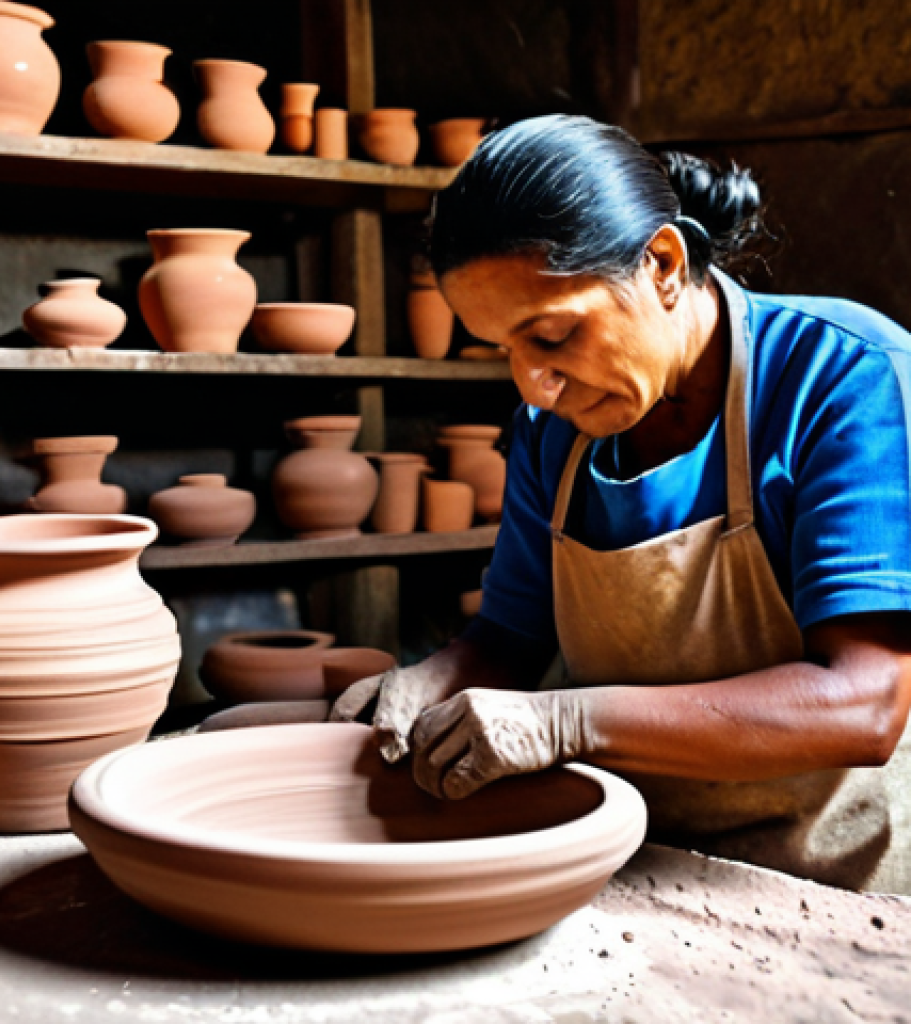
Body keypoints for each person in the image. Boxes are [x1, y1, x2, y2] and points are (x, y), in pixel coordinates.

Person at [332, 114, 911, 893]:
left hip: (828, 885)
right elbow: (509, 636)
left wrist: (567, 721)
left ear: (664, 265)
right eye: (502, 348)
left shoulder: (844, 379)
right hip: (630, 863)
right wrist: (432, 679)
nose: (533, 385)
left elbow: (863, 704)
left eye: (553, 334)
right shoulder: (551, 431)